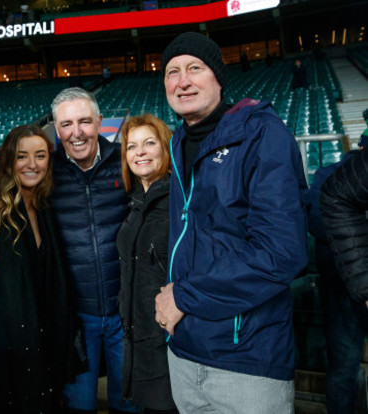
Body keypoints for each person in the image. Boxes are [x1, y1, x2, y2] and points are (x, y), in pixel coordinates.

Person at [155, 32, 308, 413]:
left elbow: (281, 253)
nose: (182, 80)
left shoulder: (262, 133)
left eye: (195, 68)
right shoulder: (177, 142)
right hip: (184, 350)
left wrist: (182, 296)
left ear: (219, 78)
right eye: (172, 72)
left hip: (247, 361)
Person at [0, 87, 134, 414]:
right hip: (73, 317)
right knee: (78, 403)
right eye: (67, 124)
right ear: (57, 129)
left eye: (85, 121)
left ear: (100, 122)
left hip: (123, 312)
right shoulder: (47, 171)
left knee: (127, 401)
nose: (77, 132)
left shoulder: (126, 162)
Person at [0, 124, 86, 413]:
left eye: (40, 156)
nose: (31, 164)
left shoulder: (44, 207)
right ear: (8, 160)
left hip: (39, 337)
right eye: (22, 156)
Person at [116, 114, 177, 414]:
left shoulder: (180, 200)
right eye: (132, 146)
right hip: (139, 343)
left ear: (165, 149)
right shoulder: (136, 200)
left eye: (149, 143)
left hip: (170, 344)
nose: (139, 152)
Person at [317, 140, 367, 414]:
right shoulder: (329, 174)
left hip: (348, 281)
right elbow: (318, 220)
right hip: (342, 289)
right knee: (344, 368)